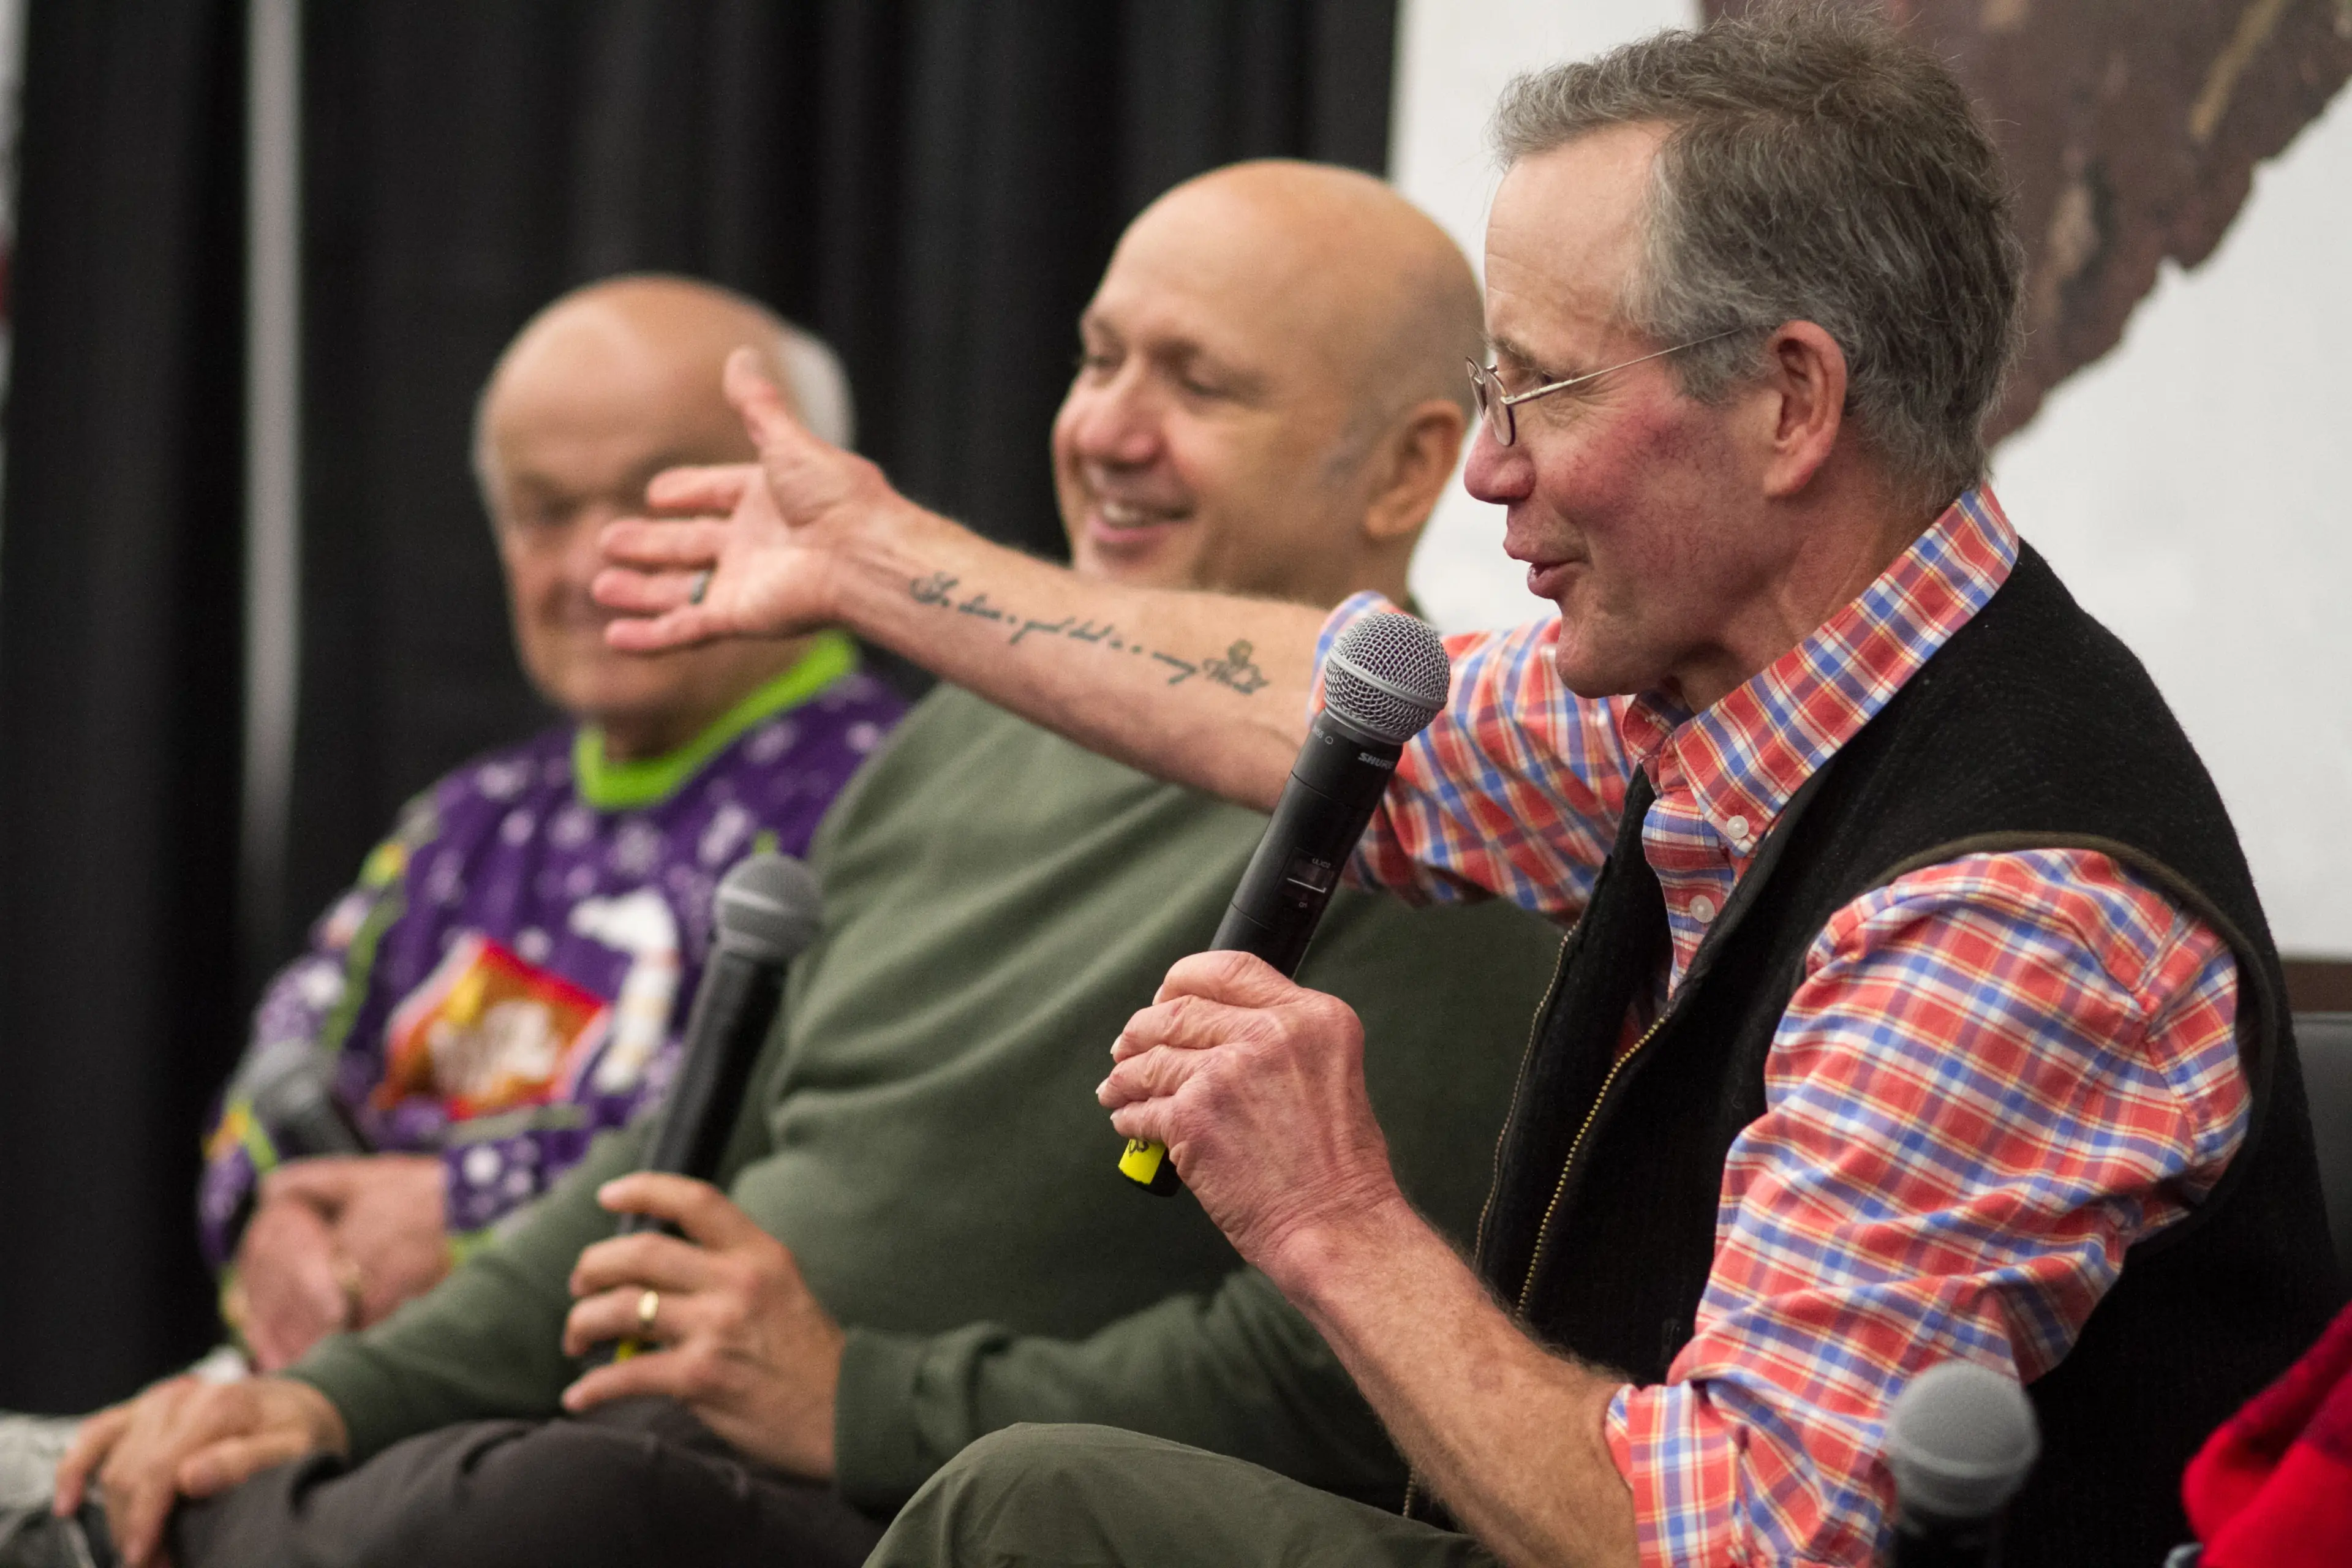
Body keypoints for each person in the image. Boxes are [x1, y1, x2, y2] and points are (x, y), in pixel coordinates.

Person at [580, 10, 2343, 1567]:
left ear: (1791, 402)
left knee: (1015, 1514)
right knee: (1028, 1504)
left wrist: (1334, 1217)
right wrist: (873, 562)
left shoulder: (2004, 916)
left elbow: (1733, 1541)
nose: (1487, 470)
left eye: (1542, 389)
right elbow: (1302, 708)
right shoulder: (1734, 699)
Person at [38, 162, 1564, 1568]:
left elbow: (1339, 1378)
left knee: (550, 1506)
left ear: (1405, 469)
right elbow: (669, 1174)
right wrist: (336, 1394)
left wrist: (858, 1397)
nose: (1108, 427)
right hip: (661, 1441)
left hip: (925, 1509)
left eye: (1198, 382)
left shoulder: (1449, 818)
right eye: (1098, 359)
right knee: (431, 1478)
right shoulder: (964, 733)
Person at [199, 276, 907, 1374]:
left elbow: (802, 1151)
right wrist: (280, 1228)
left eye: (657, 500)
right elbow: (281, 1065)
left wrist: (464, 1213)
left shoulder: (897, 796)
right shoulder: (462, 825)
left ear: (806, 498)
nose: (590, 563)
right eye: (543, 511)